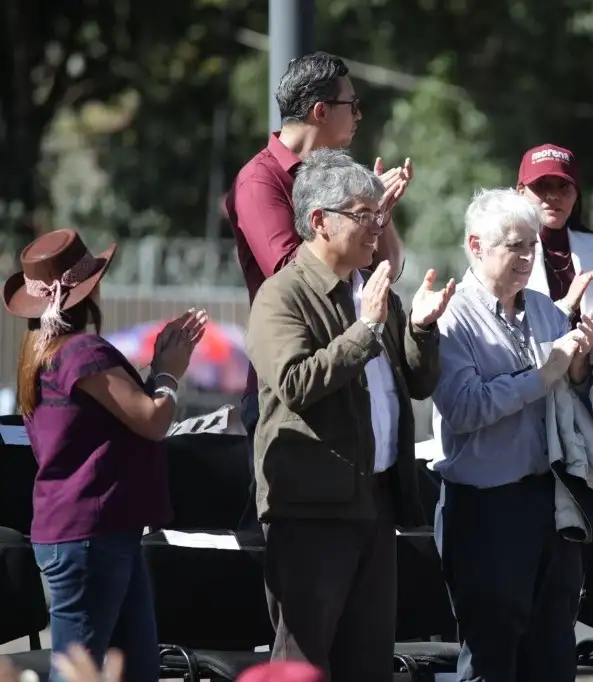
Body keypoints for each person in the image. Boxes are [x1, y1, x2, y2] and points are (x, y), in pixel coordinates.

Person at [245, 149, 452, 682]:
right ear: (321, 221)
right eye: (364, 215)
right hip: (311, 510)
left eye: (380, 214)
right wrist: (364, 330)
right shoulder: (283, 295)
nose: (378, 226)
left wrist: (421, 329)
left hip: (375, 502)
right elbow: (295, 383)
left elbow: (419, 384)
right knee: (304, 664)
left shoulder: (372, 289)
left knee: (368, 662)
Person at [3, 229, 206, 682]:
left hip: (94, 534)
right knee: (80, 672)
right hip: (92, 537)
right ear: (87, 293)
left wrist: (158, 369)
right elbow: (151, 419)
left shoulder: (39, 353)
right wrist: (169, 374)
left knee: (131, 668)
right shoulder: (83, 352)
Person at [226, 51, 413, 522]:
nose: (359, 116)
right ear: (320, 111)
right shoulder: (259, 180)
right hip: (293, 382)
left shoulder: (342, 179)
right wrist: (357, 215)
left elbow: (388, 269)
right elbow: (294, 271)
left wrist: (375, 214)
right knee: (303, 542)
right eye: (353, 104)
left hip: (355, 372)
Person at [432, 188, 593, 682]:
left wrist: (583, 363)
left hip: (550, 501)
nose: (527, 257)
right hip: (485, 509)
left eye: (532, 245)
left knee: (552, 655)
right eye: (514, 245)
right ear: (476, 245)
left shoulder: (546, 310)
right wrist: (543, 375)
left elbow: (572, 393)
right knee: (491, 659)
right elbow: (464, 408)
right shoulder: (452, 315)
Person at [516, 143, 593, 353]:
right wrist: (567, 305)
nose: (553, 196)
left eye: (563, 186)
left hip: (587, 371)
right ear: (520, 192)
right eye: (541, 185)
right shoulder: (505, 250)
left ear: (576, 194)